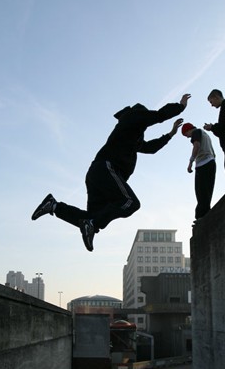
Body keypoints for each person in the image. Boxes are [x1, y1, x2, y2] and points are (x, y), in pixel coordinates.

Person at [31, 93, 192, 251]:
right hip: (106, 168)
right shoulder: (133, 117)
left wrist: (170, 134)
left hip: (97, 175)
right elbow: (158, 115)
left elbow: (150, 148)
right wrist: (180, 106)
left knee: (91, 218)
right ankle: (91, 223)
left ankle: (54, 206)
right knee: (130, 203)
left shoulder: (131, 138)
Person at [182, 122, 216, 221]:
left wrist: (191, 162)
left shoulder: (196, 132)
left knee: (200, 191)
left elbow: (196, 146)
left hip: (203, 164)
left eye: (186, 134)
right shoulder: (205, 134)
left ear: (188, 130)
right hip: (211, 162)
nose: (187, 137)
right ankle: (206, 214)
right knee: (207, 191)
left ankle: (200, 216)